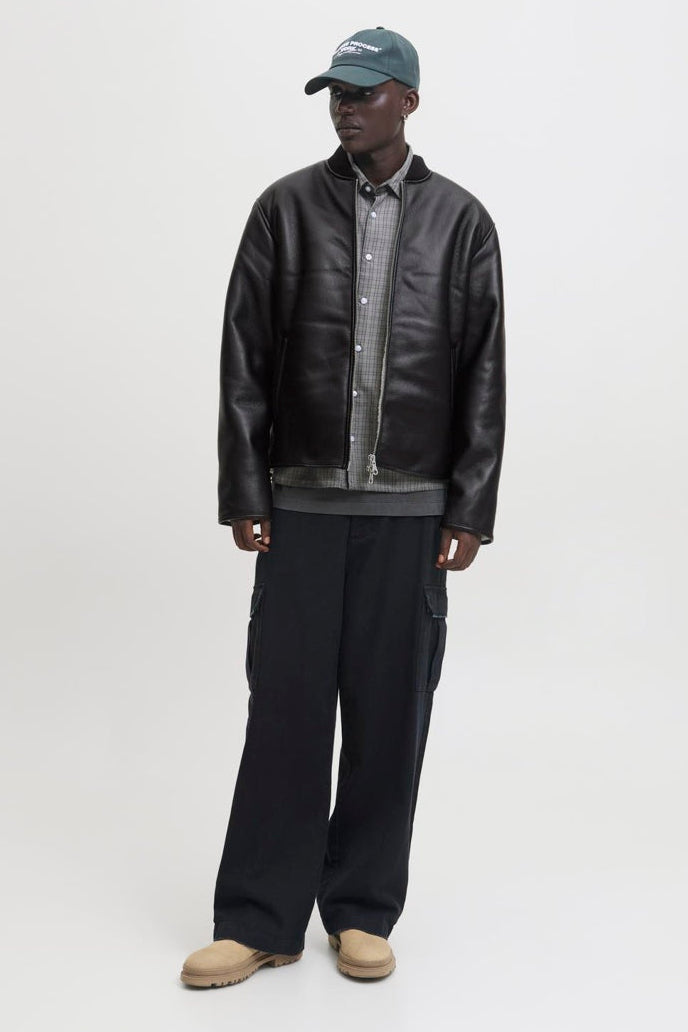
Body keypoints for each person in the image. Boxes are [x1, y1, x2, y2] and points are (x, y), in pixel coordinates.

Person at [181, 25, 506, 987]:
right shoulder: (283, 210)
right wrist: (245, 486)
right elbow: (244, 359)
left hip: (413, 512)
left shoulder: (462, 223)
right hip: (302, 508)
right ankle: (260, 919)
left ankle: (361, 910)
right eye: (337, 92)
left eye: (364, 92)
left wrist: (470, 505)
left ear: (409, 100)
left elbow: (484, 371)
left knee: (389, 718)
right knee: (283, 715)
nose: (346, 107)